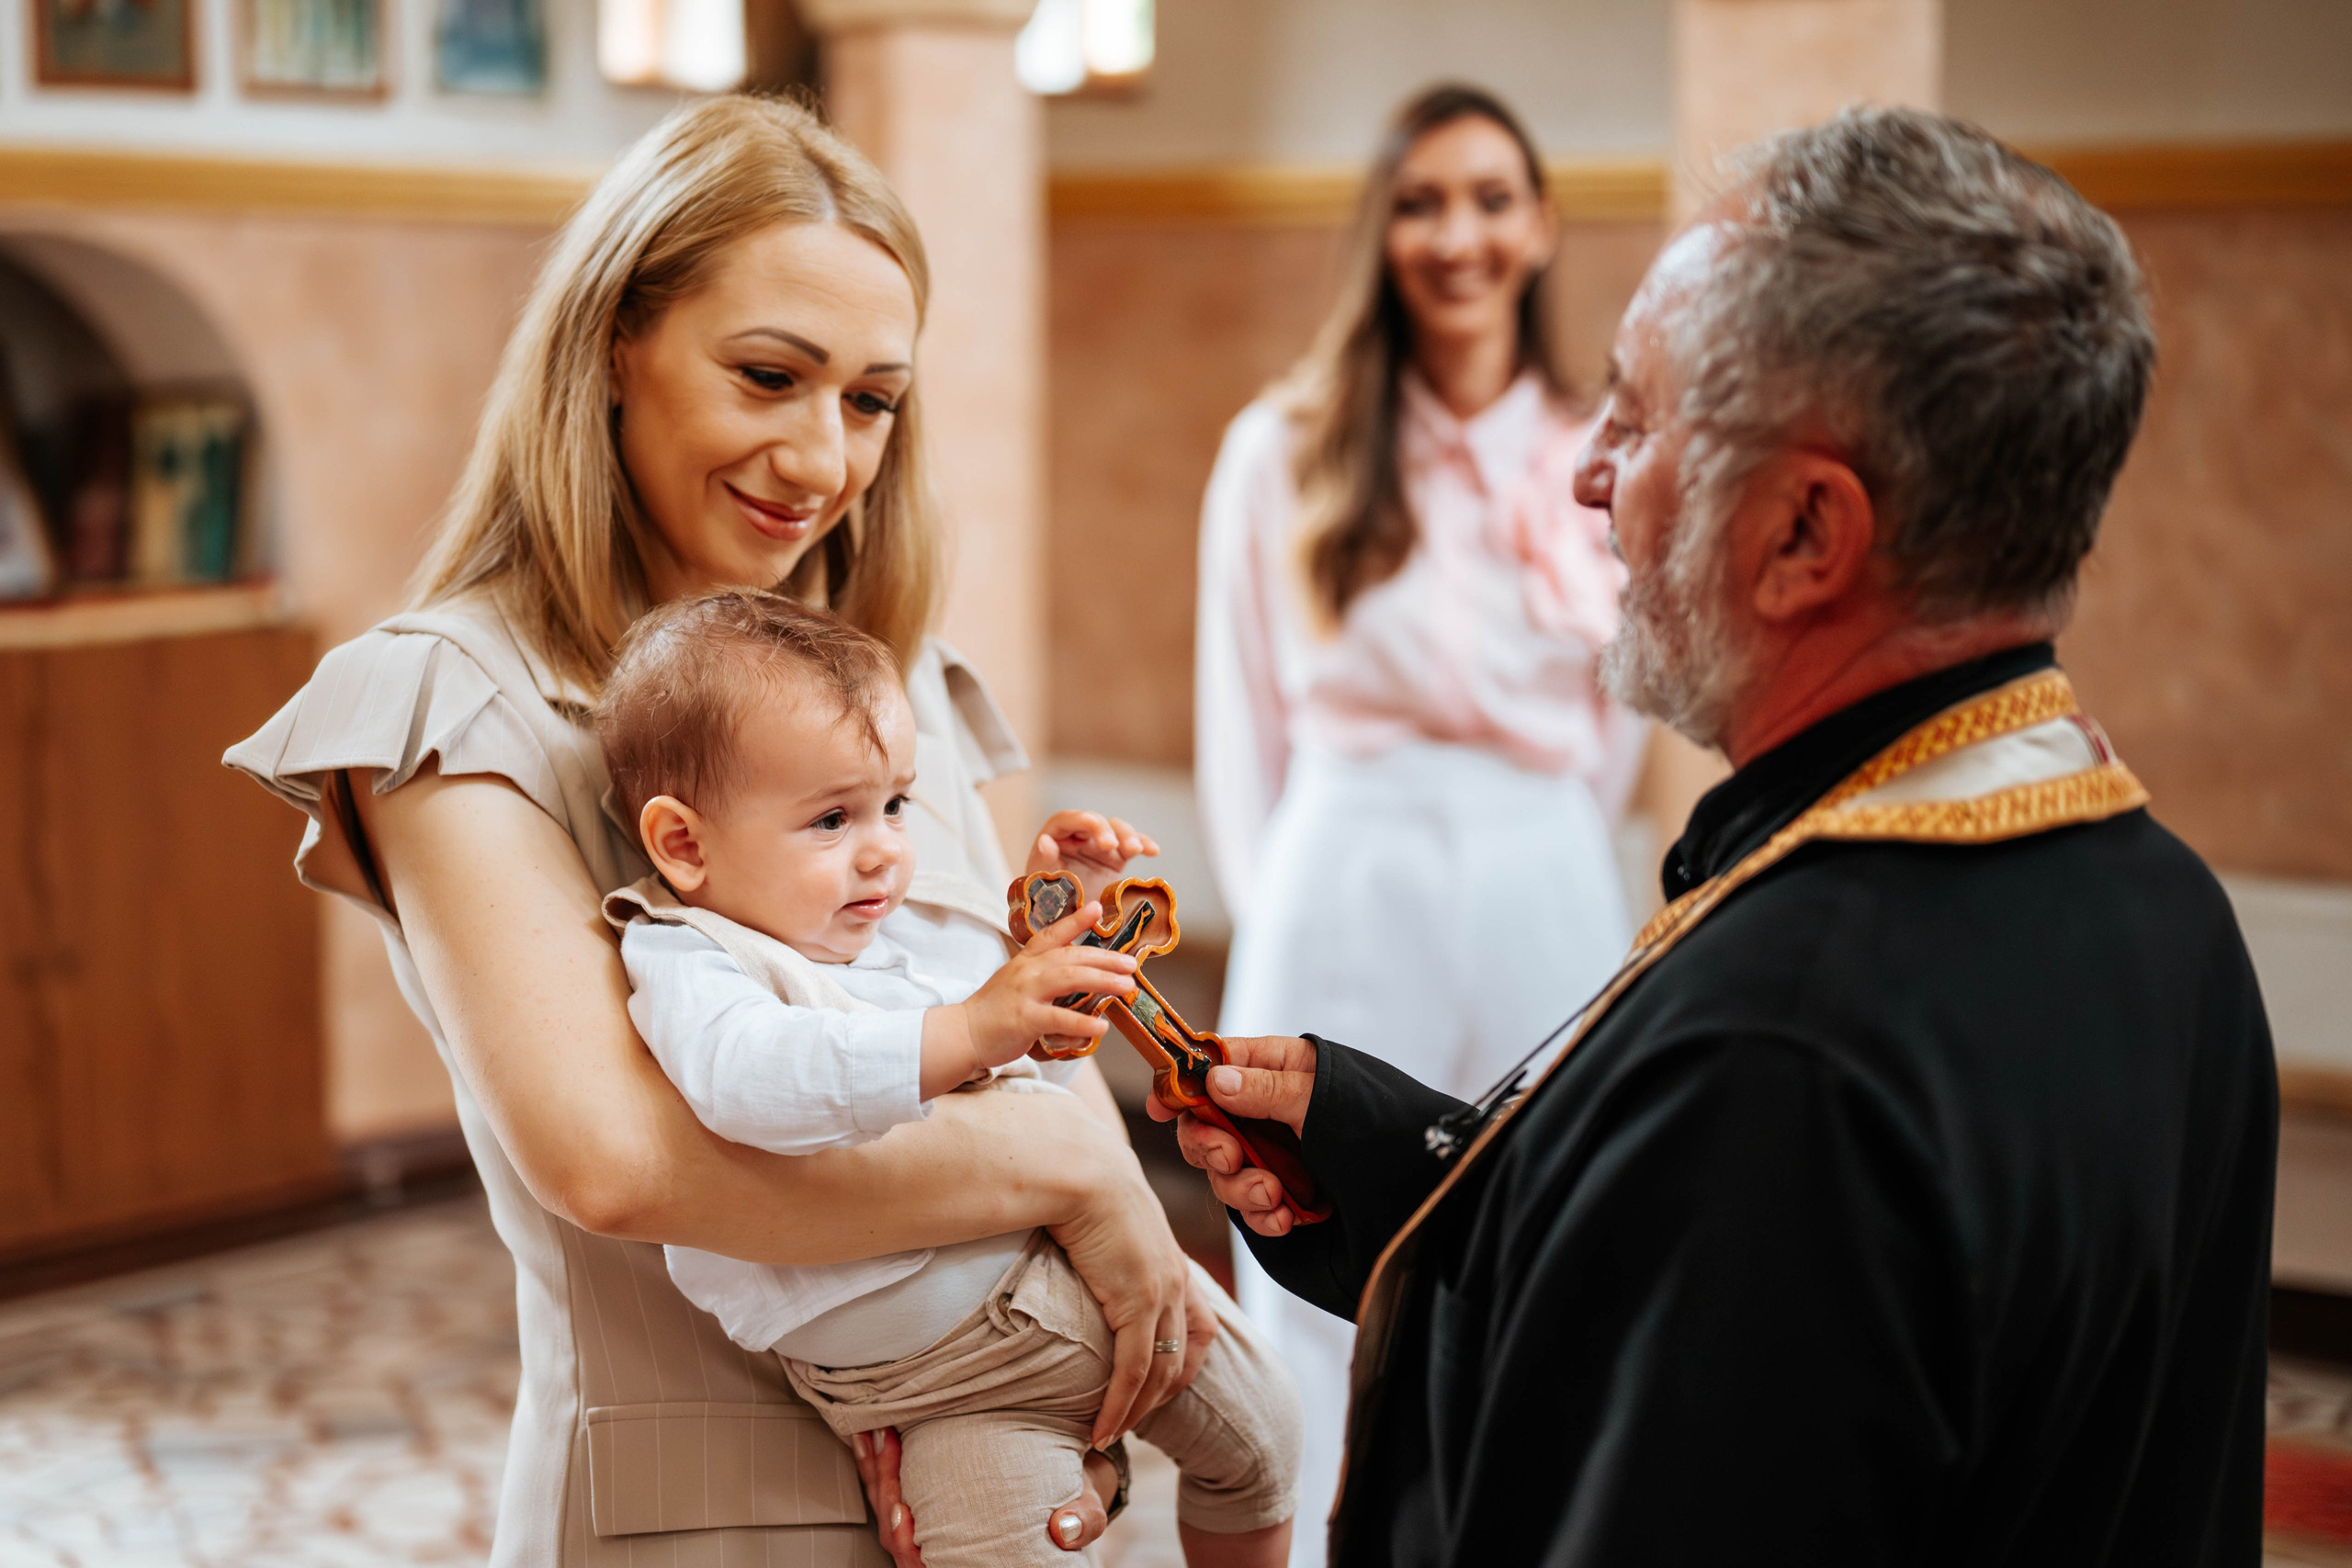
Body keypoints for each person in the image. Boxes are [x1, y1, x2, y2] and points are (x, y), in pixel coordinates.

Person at [1165, 108, 2277, 1565]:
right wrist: (1430, 1183)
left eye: (1635, 422)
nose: (1586, 476)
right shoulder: (2174, 912)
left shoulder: (1777, 1051)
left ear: (1807, 532)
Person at [226, 96, 1204, 1567]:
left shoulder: (894, 682)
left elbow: (1006, 1049)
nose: (821, 457)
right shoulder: (447, 697)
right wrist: (1080, 1170)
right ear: (614, 343)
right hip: (690, 1513)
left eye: (870, 401)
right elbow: (619, 1161)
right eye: (768, 376)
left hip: (994, 1454)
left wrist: (1059, 1346)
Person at [593, 588, 1302, 1568]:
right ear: (684, 843)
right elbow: (749, 1083)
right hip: (949, 1390)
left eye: (894, 803)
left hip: (1087, 1281)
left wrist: (1056, 932)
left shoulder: (915, 920)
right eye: (832, 818)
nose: (886, 847)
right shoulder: (693, 957)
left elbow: (1034, 1061)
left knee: (1269, 1440)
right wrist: (968, 1028)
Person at [1191, 84, 1644, 1563]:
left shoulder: (1599, 447)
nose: (1460, 235)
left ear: (1543, 224)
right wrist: (1279, 902)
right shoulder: (1283, 445)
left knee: (1553, 1223)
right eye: (1422, 201)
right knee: (1309, 1222)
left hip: (1543, 860)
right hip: (1346, 857)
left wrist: (1552, 844)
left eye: (1492, 198)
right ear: (1381, 228)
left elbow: (1625, 711)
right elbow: (1242, 710)